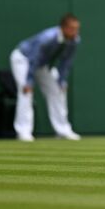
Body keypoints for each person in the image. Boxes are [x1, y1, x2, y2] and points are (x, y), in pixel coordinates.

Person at [10, 13, 82, 142]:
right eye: (72, 28)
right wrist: (29, 81)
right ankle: (23, 132)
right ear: (63, 28)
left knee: (57, 91)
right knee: (26, 92)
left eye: (77, 29)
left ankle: (63, 130)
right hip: (23, 59)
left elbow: (66, 62)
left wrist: (62, 80)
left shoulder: (75, 40)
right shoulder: (47, 38)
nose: (75, 32)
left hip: (42, 64)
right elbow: (34, 59)